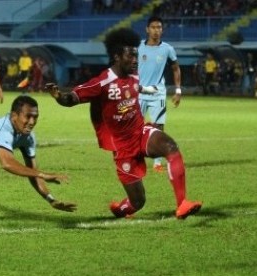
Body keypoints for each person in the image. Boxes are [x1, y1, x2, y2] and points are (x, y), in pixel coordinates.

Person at [44, 28, 202, 220]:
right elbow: (72, 99)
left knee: (171, 147)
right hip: (122, 147)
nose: (135, 60)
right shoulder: (102, 82)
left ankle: (182, 204)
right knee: (138, 202)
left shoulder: (134, 76)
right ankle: (120, 209)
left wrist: (151, 90)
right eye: (131, 56)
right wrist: (59, 96)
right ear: (117, 57)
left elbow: (137, 87)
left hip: (141, 132)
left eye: (136, 55)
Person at [138, 15, 182, 173]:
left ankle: (157, 162)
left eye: (159, 28)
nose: (156, 31)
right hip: (139, 93)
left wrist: (178, 90)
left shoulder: (167, 49)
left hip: (158, 94)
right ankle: (135, 157)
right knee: (133, 126)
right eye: (153, 27)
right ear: (147, 29)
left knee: (158, 127)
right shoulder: (138, 48)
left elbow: (176, 68)